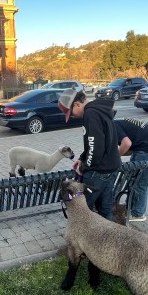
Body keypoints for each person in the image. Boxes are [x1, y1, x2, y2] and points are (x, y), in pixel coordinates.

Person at [58, 89, 120, 221]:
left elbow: (95, 147)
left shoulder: (91, 114)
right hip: (110, 168)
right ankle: (108, 239)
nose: (73, 116)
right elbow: (94, 143)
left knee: (81, 210)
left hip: (98, 172)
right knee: (105, 210)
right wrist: (81, 159)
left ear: (77, 104)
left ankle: (81, 239)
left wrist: (84, 167)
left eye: (72, 113)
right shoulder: (100, 110)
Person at [114, 117, 148, 222]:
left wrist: (114, 158)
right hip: (146, 145)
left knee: (140, 182)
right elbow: (129, 149)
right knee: (132, 179)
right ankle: (131, 207)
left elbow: (126, 144)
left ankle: (138, 214)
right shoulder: (118, 123)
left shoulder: (113, 127)